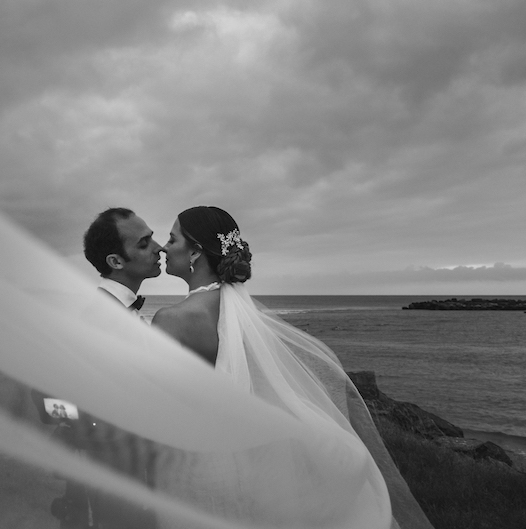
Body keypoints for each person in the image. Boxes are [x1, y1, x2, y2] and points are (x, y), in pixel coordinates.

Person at [152, 206, 434, 529]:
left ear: (196, 252)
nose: (163, 247)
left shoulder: (173, 320)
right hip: (250, 465)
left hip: (198, 468)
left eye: (172, 239)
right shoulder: (246, 318)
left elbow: (157, 406)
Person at [31, 207, 162, 529]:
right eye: (144, 244)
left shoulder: (126, 312)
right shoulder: (92, 318)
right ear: (116, 262)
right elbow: (45, 400)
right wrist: (92, 430)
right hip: (108, 472)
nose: (158, 249)